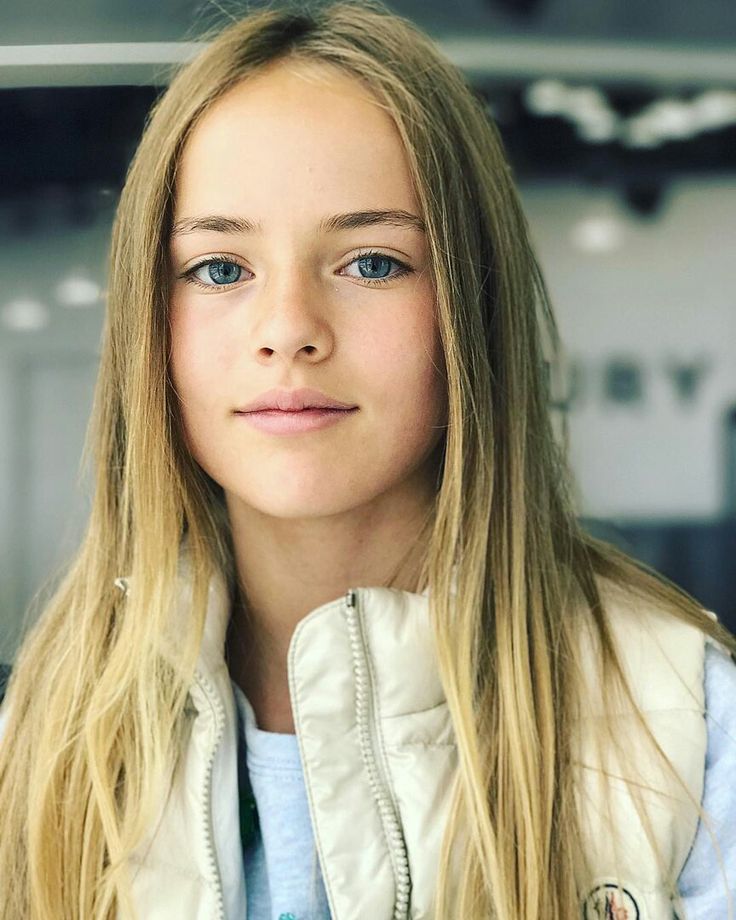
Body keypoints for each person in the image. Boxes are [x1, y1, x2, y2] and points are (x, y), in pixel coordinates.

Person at [0, 2, 734, 917]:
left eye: (373, 263)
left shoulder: (688, 725)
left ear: (469, 314)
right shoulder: (40, 741)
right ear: (153, 331)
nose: (288, 331)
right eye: (221, 269)